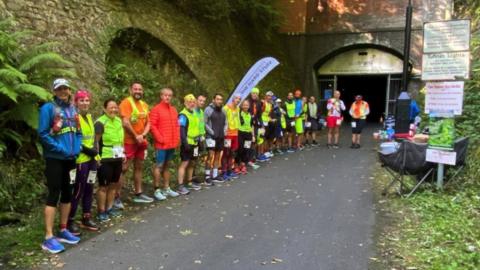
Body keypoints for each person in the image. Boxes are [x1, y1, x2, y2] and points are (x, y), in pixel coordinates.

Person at [38, 78, 81, 253]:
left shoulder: (72, 109)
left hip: (70, 158)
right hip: (55, 158)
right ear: (54, 91)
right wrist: (61, 149)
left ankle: (63, 229)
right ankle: (48, 237)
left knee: (68, 193)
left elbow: (78, 132)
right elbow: (43, 134)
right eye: (60, 89)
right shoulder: (48, 108)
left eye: (66, 88)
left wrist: (76, 149)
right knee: (54, 193)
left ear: (70, 91)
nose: (63, 91)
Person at [67, 90, 100, 235]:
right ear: (76, 102)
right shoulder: (75, 118)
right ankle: (70, 221)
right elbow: (73, 139)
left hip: (92, 160)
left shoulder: (89, 118)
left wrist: (97, 157)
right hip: (81, 161)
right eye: (82, 100)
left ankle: (86, 217)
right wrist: (86, 150)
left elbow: (93, 140)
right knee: (78, 191)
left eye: (87, 100)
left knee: (90, 188)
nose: (85, 103)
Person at [119, 82, 153, 203]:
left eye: (140, 89)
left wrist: (142, 135)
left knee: (139, 166)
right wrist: (135, 135)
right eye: (135, 89)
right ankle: (117, 197)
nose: (138, 91)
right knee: (124, 168)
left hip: (141, 141)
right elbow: (125, 122)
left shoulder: (144, 105)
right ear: (130, 90)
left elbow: (149, 122)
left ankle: (138, 193)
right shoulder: (126, 102)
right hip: (128, 141)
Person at [95, 99, 125, 222]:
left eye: (115, 107)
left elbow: (121, 139)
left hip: (117, 157)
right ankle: (101, 211)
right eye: (111, 107)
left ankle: (110, 208)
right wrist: (96, 157)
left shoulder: (118, 121)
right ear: (104, 109)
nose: (113, 110)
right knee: (103, 186)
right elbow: (95, 142)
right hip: (105, 158)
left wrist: (124, 153)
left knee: (113, 185)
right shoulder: (100, 122)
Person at [149, 88, 180, 200]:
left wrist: (177, 139)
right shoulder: (156, 109)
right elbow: (152, 126)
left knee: (167, 165)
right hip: (161, 144)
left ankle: (166, 188)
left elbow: (177, 126)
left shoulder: (173, 110)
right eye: (165, 95)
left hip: (171, 144)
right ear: (161, 96)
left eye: (170, 95)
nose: (167, 97)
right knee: (159, 166)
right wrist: (160, 138)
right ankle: (156, 190)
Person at [177, 94, 201, 195]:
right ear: (185, 103)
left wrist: (200, 140)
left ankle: (190, 181)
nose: (191, 104)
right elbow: (181, 130)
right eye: (189, 102)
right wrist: (185, 143)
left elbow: (197, 127)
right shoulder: (183, 115)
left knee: (192, 163)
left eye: (193, 102)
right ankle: (180, 186)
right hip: (187, 142)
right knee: (184, 163)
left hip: (195, 142)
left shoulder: (195, 113)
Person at [204, 93, 227, 183]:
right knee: (210, 156)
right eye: (217, 99)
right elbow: (204, 123)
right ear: (213, 100)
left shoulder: (223, 110)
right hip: (211, 137)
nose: (219, 101)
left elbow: (226, 122)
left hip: (220, 136)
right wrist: (212, 132)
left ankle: (215, 175)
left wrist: (224, 131)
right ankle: (207, 176)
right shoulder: (208, 110)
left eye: (221, 99)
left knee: (217, 156)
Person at [222, 95, 241, 180]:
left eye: (239, 99)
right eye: (237, 99)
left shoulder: (238, 108)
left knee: (232, 152)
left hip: (235, 133)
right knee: (226, 152)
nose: (238, 100)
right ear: (233, 99)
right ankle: (224, 171)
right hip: (228, 134)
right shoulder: (225, 108)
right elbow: (223, 121)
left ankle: (230, 170)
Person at [192, 94, 208, 186]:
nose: (202, 102)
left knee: (198, 157)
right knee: (192, 159)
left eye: (203, 101)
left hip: (201, 138)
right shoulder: (192, 111)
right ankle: (190, 179)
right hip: (193, 139)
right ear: (196, 100)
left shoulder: (201, 112)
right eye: (200, 100)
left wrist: (203, 136)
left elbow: (202, 125)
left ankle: (196, 177)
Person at [247, 88, 264, 167]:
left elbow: (259, 116)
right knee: (247, 142)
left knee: (254, 142)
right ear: (251, 94)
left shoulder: (259, 103)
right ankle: (245, 159)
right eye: (253, 93)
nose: (254, 95)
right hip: (247, 125)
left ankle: (251, 158)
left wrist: (262, 126)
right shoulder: (247, 102)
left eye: (256, 93)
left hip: (255, 125)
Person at [237, 100, 255, 174]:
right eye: (244, 105)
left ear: (249, 106)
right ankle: (237, 165)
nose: (245, 106)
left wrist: (253, 135)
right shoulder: (239, 113)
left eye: (247, 105)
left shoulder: (250, 114)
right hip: (240, 134)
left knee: (246, 150)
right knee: (240, 150)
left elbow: (252, 126)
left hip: (248, 135)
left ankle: (243, 165)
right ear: (241, 106)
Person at [258, 91, 275, 160]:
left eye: (271, 96)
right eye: (268, 96)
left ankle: (263, 152)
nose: (270, 97)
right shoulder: (262, 102)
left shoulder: (270, 104)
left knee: (264, 138)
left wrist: (271, 119)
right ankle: (259, 154)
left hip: (266, 123)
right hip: (261, 123)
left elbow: (267, 115)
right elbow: (259, 113)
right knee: (260, 139)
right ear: (265, 96)